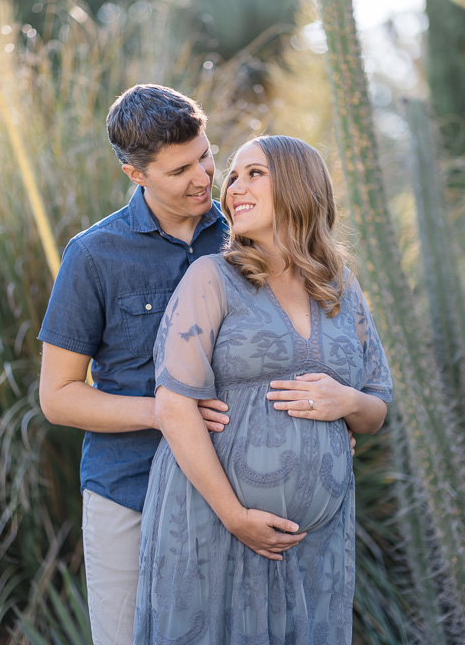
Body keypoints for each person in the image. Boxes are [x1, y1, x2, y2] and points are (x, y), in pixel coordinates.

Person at [38, 86, 320, 645]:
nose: (203, 178)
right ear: (134, 174)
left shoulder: (248, 234)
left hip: (242, 491)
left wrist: (329, 420)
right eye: (179, 170)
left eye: (205, 156)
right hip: (130, 490)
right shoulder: (93, 255)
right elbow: (59, 395)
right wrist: (166, 413)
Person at [134, 135, 392, 645]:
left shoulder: (341, 286)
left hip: (315, 545)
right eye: (232, 176)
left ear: (299, 185)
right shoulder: (211, 277)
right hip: (214, 523)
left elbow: (377, 406)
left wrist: (346, 401)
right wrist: (236, 517)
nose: (233, 188)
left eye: (255, 173)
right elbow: (174, 405)